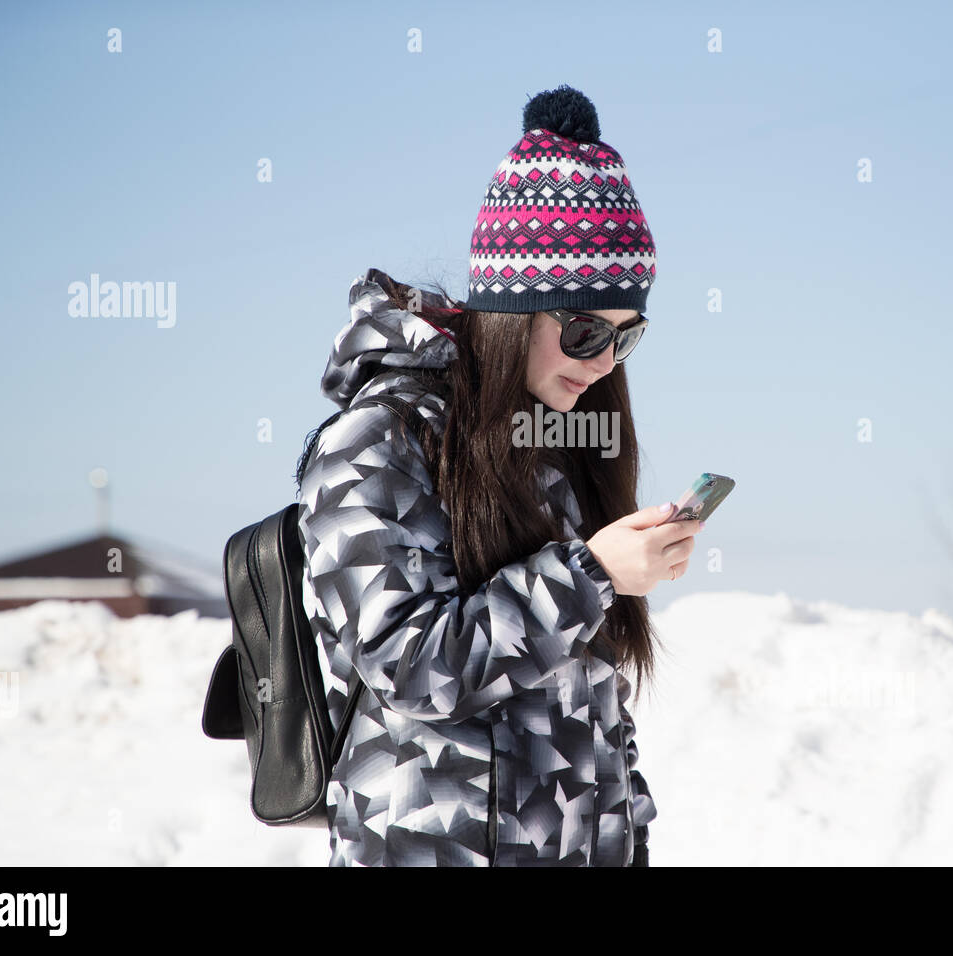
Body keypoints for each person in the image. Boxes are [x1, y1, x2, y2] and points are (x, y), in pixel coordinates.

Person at [295, 85, 701, 866]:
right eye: (584, 329)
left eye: (626, 334)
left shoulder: (555, 443)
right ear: (514, 311)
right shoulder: (378, 438)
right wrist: (589, 575)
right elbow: (411, 668)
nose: (604, 361)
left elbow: (588, 708)